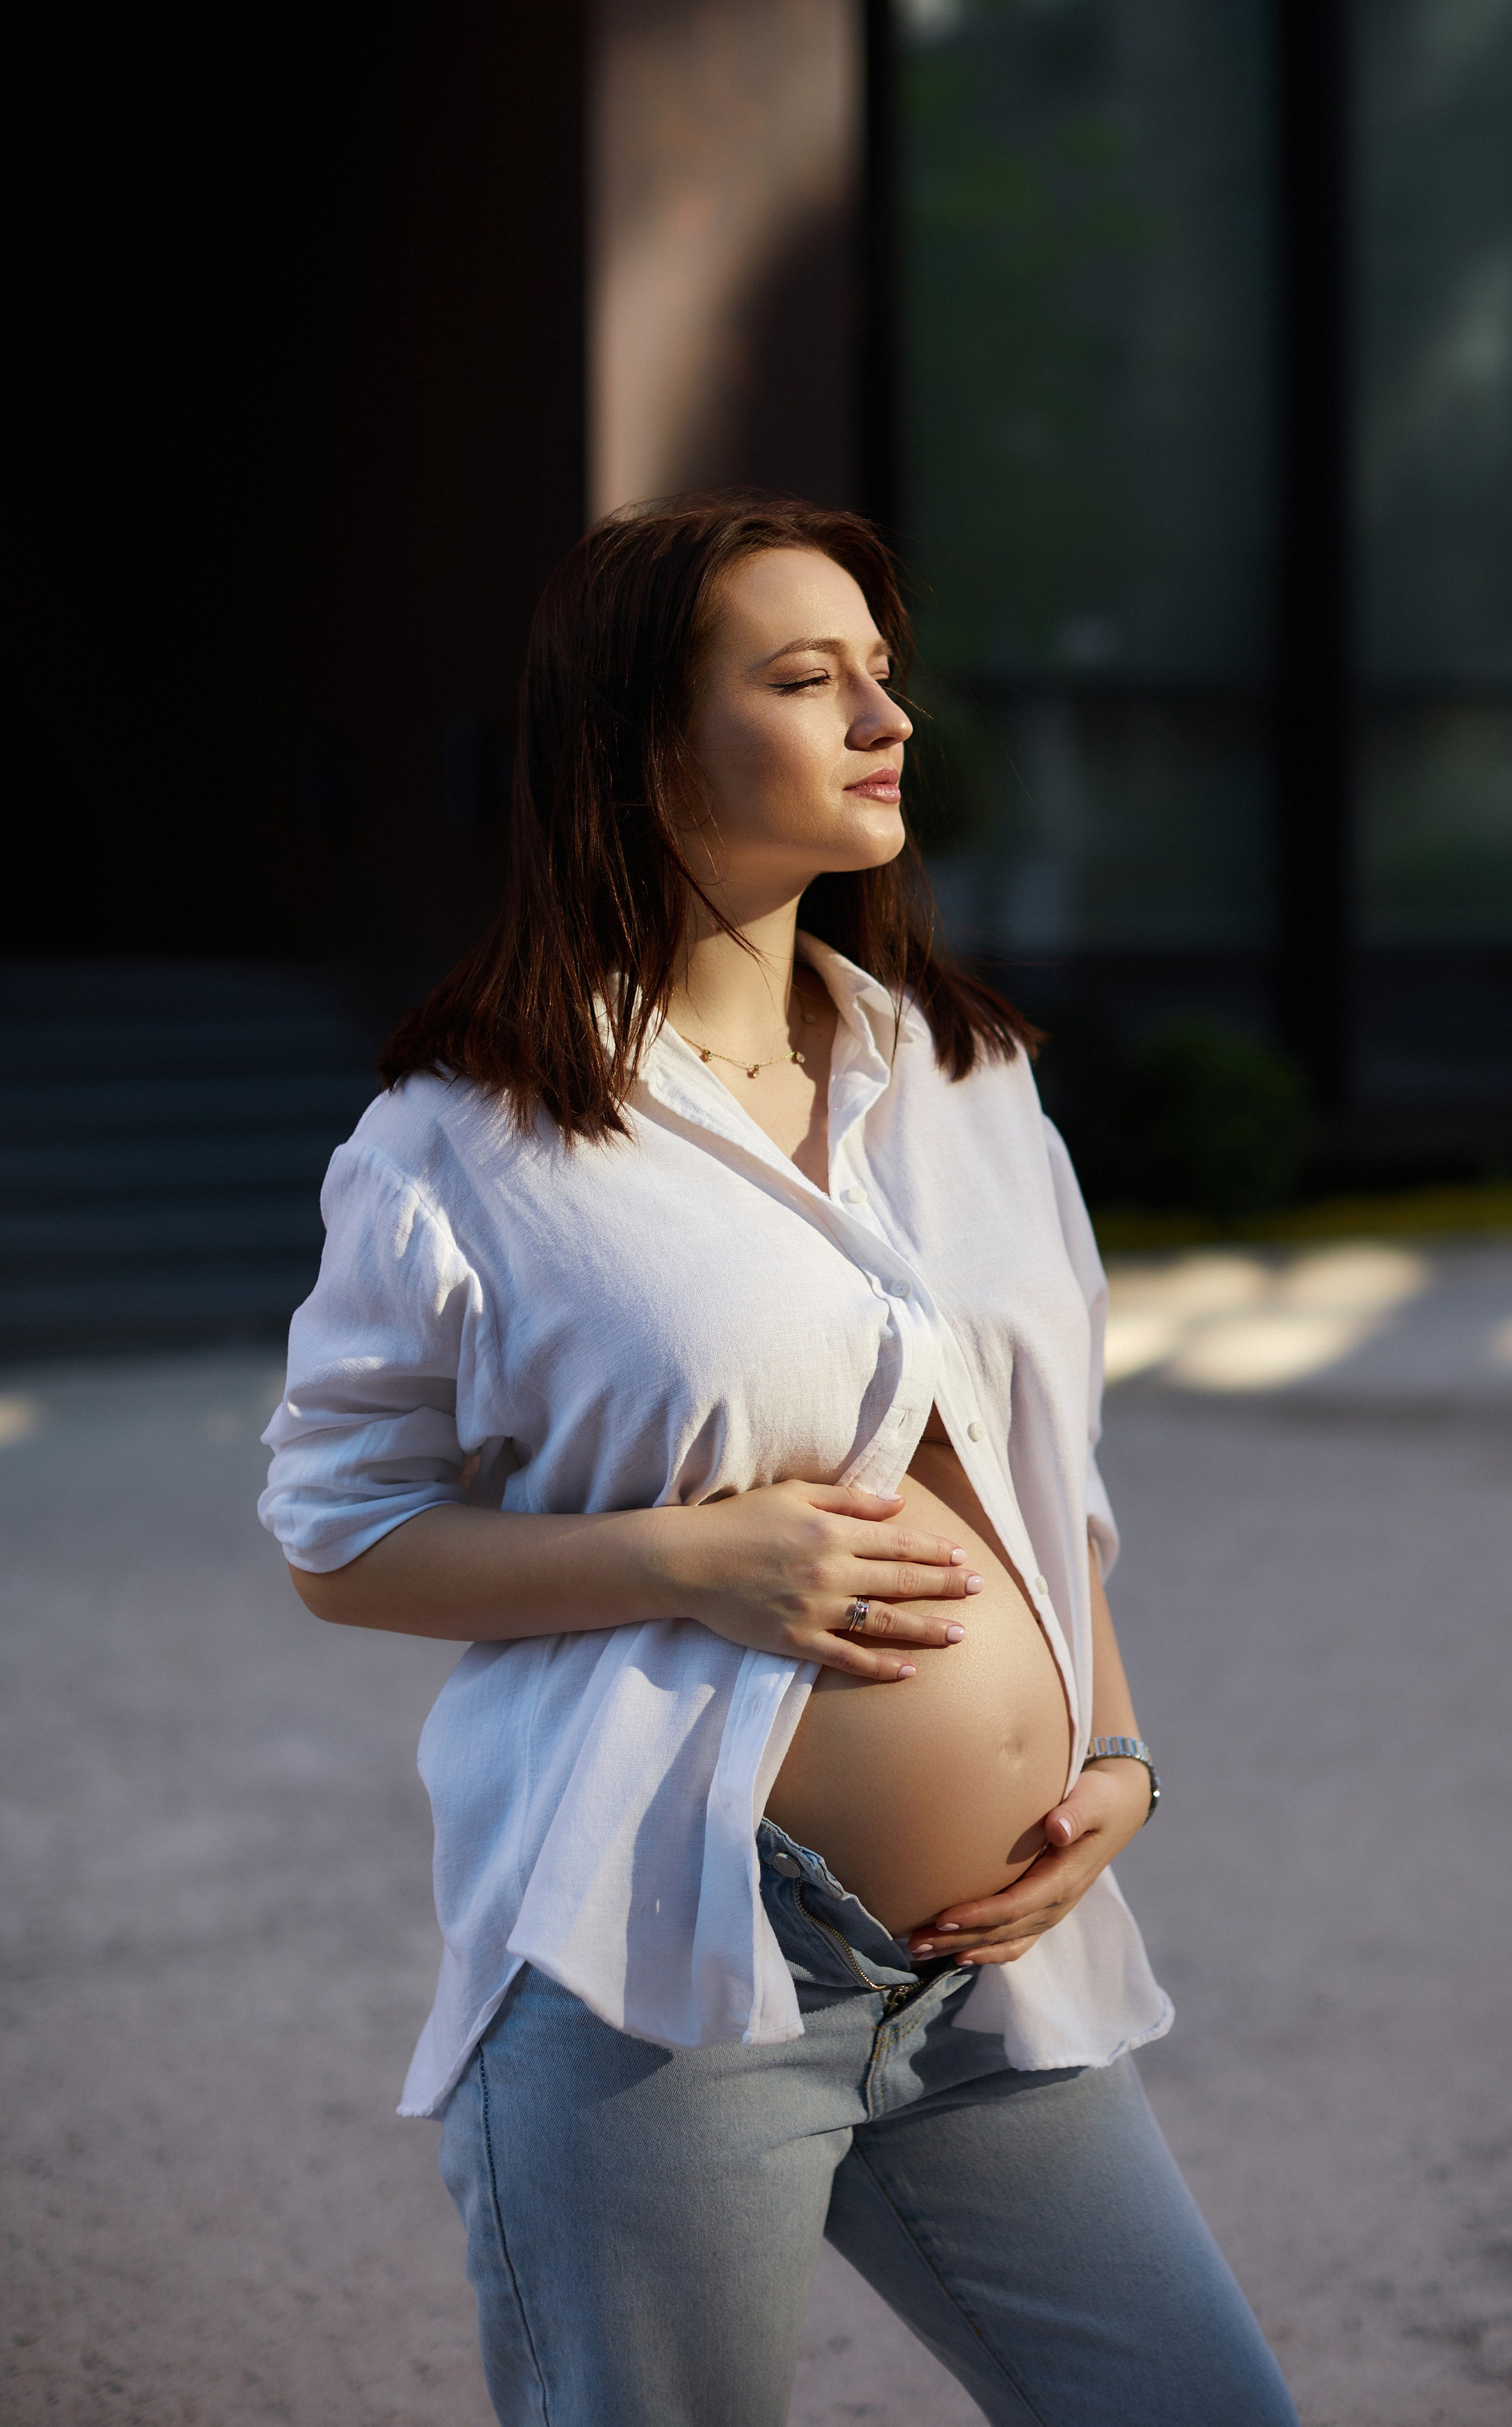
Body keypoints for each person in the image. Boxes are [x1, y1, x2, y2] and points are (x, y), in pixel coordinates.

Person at [259, 491, 1297, 2427]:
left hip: (997, 1970)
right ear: (646, 744)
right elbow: (338, 1535)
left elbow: (1044, 1486)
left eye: (882, 676)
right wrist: (685, 1558)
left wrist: (1121, 1751)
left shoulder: (976, 1083)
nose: (885, 719)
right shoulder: (471, 1135)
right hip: (666, 1964)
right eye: (809, 680)